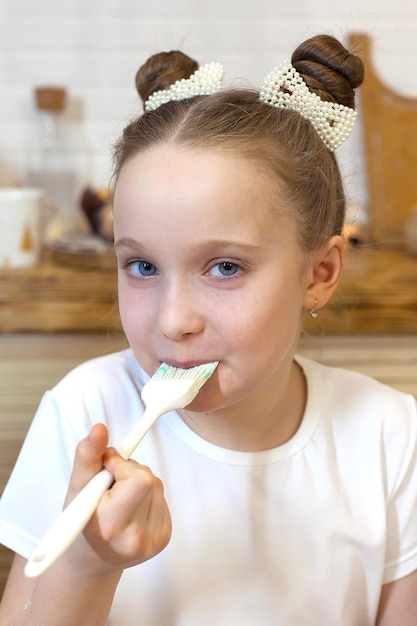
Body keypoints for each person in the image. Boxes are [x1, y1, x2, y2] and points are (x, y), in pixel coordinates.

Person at [0, 33, 416, 626]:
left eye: (225, 268)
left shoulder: (391, 438)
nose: (173, 320)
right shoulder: (83, 413)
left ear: (319, 274)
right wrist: (87, 566)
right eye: (142, 266)